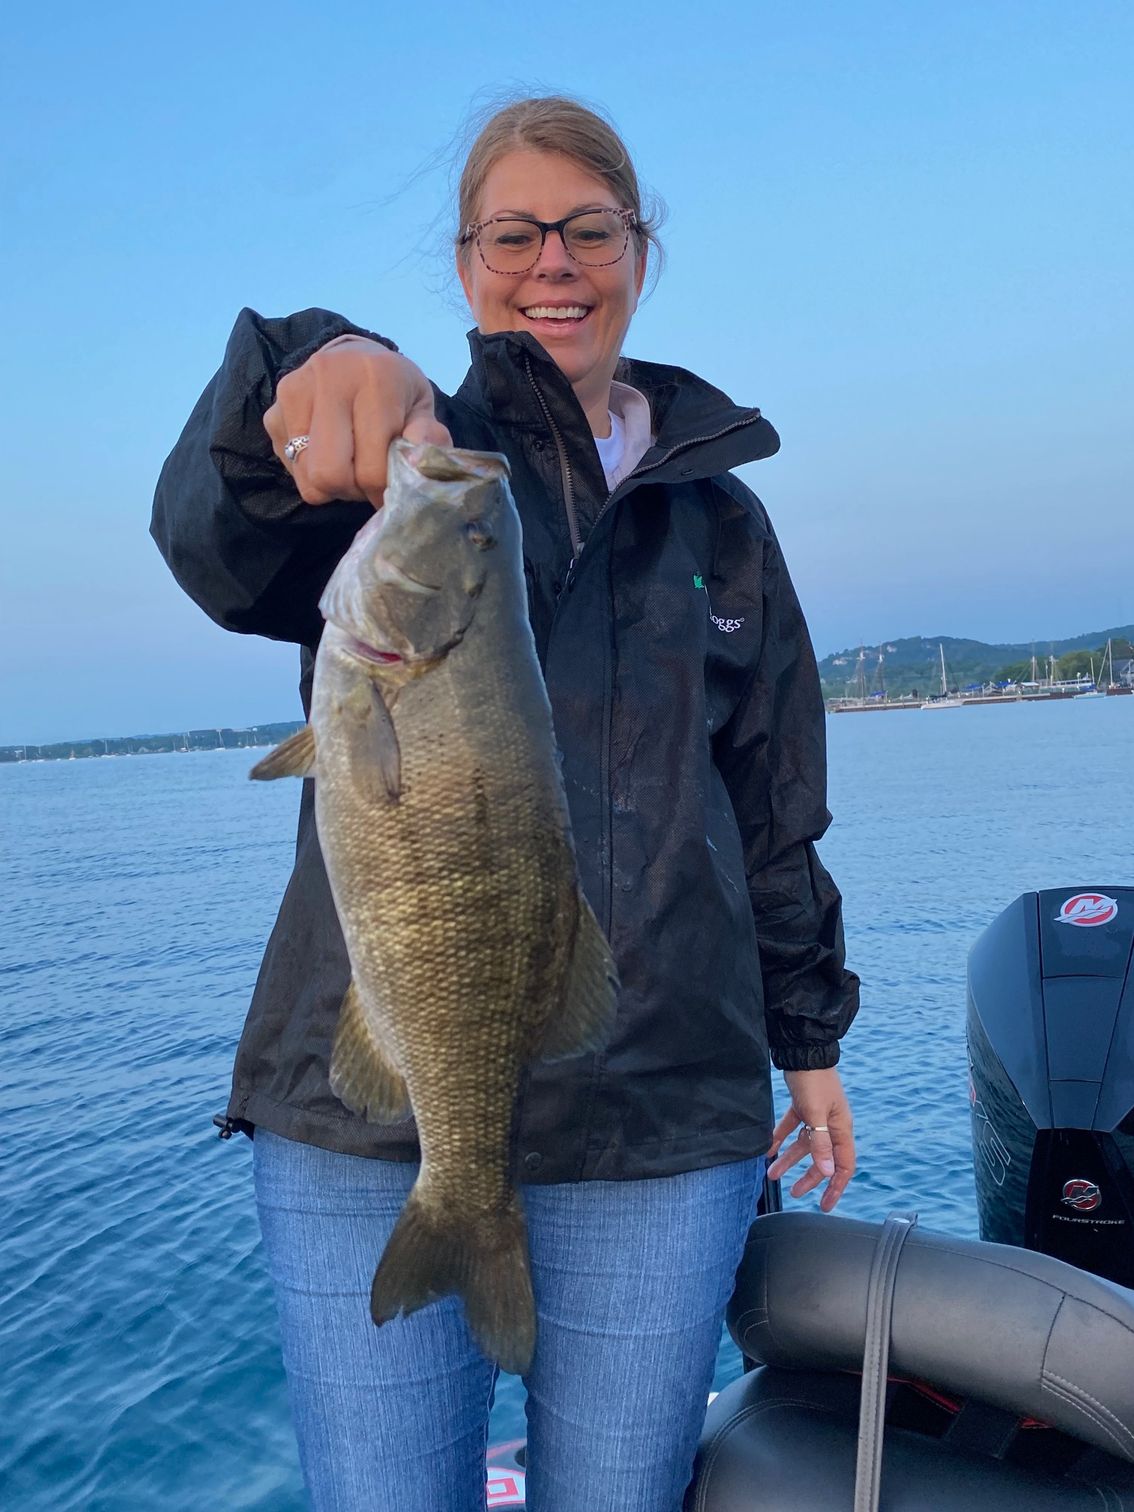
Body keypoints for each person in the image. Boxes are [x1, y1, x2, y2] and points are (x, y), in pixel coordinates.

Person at [152, 95, 859, 1512]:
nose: (554, 264)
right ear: (466, 262)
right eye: (513, 234)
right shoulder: (402, 463)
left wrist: (809, 1039)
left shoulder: (722, 518)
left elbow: (772, 798)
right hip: (366, 1124)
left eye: (589, 230)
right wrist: (312, 359)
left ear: (640, 250)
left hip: (662, 1105)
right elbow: (217, 538)